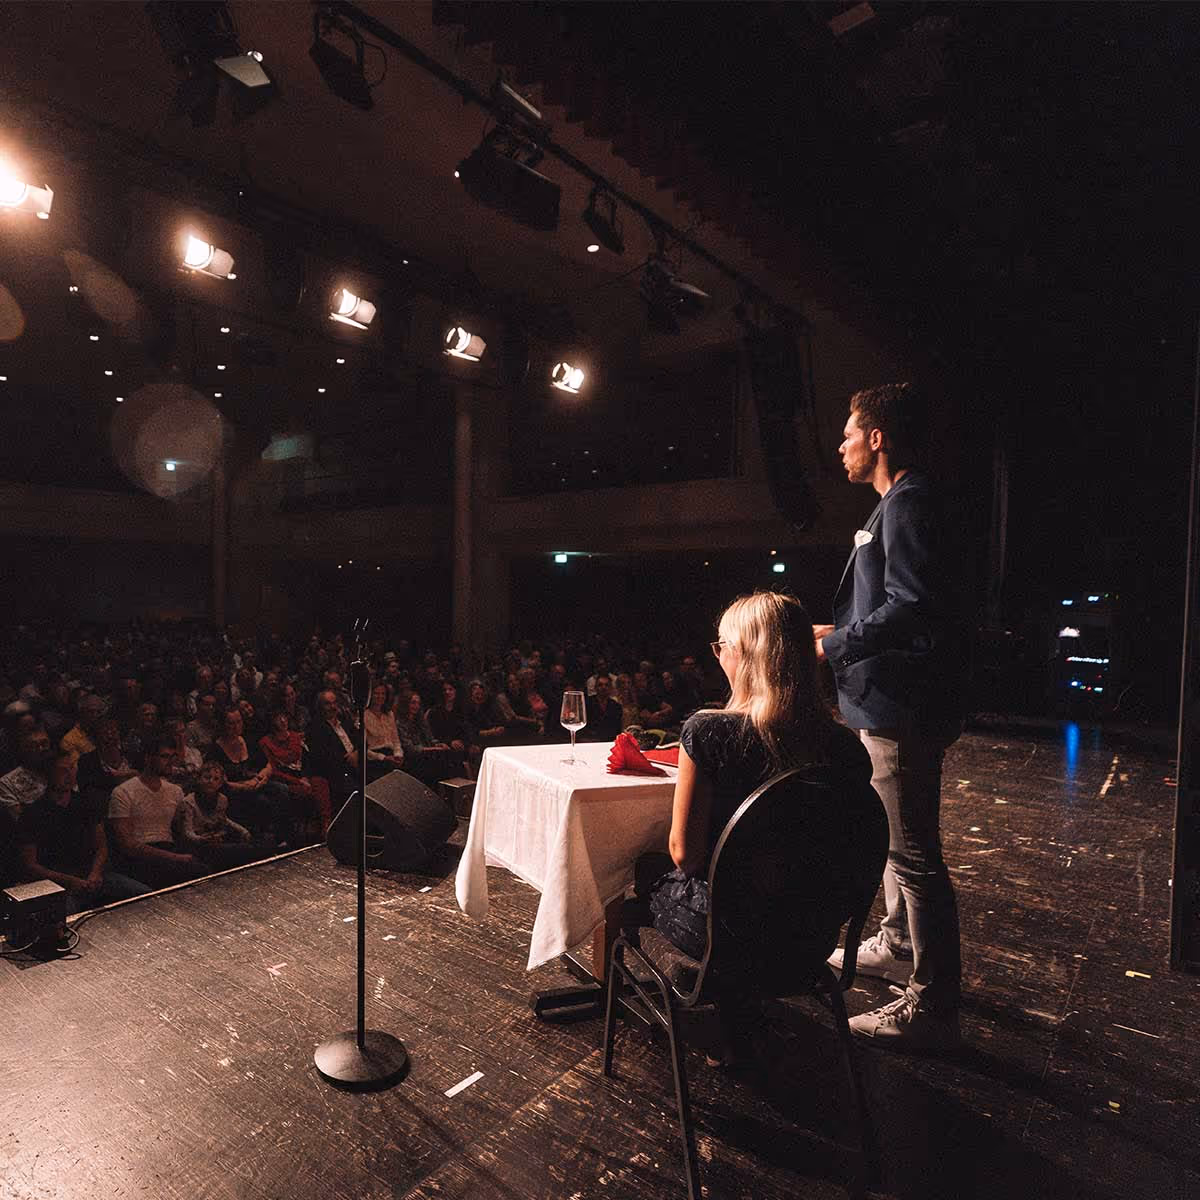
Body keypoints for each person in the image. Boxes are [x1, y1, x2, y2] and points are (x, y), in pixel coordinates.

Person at [815, 382, 966, 1050]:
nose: (842, 444)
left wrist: (838, 643)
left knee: (914, 857)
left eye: (849, 432)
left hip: (901, 705)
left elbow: (911, 606)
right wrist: (837, 627)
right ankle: (899, 942)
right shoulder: (893, 507)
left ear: (876, 437)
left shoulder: (907, 503)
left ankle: (931, 1007)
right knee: (895, 843)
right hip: (887, 700)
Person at [635, 592, 872, 962]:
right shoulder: (848, 747)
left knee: (643, 868)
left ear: (746, 654)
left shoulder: (707, 732)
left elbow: (686, 856)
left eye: (722, 645)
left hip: (728, 930)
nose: (718, 655)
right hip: (811, 933)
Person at [18, 752, 149, 911]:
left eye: (72, 768)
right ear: (49, 773)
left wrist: (95, 872)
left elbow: (102, 846)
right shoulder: (33, 813)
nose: (69, 774)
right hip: (59, 884)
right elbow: (31, 864)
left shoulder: (85, 802)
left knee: (147, 896)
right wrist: (69, 880)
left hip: (94, 876)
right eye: (63, 770)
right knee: (67, 916)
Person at [108, 737, 205, 889]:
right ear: (148, 758)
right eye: (164, 756)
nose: (170, 762)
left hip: (169, 848)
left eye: (173, 757)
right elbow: (127, 844)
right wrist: (175, 857)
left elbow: (182, 831)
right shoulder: (123, 792)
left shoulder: (175, 791)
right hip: (139, 857)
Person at [207, 708, 290, 845]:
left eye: (238, 722)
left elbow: (267, 765)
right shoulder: (215, 750)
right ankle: (264, 840)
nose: (236, 727)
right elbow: (222, 782)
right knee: (262, 801)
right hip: (234, 790)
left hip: (256, 782)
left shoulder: (249, 741)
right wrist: (247, 786)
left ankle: (284, 837)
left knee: (282, 789)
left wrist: (258, 779)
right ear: (223, 725)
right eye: (231, 723)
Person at [172, 761, 260, 870]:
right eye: (207, 777)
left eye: (216, 779)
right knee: (238, 850)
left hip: (217, 837)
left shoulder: (222, 799)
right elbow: (187, 832)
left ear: (220, 783)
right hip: (199, 843)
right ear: (199, 779)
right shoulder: (188, 802)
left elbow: (223, 820)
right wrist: (202, 839)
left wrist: (243, 831)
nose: (211, 781)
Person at [258, 710, 331, 837]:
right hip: (285, 780)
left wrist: (305, 776)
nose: (282, 721)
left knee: (321, 783)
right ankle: (307, 830)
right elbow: (274, 770)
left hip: (302, 776)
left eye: (283, 717)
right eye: (278, 718)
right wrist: (297, 781)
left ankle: (326, 824)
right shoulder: (266, 742)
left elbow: (306, 760)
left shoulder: (295, 736)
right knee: (307, 792)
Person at [306, 689, 361, 804]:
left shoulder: (345, 720)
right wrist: (349, 759)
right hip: (338, 772)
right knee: (357, 791)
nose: (332, 707)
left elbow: (361, 740)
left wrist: (356, 753)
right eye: (328, 704)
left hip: (358, 762)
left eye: (334, 703)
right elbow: (323, 757)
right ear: (320, 707)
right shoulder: (316, 727)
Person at [362, 684, 407, 777]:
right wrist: (383, 758)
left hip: (391, 754)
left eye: (383, 694)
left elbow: (396, 740)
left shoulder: (389, 714)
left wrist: (398, 754)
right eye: (376, 693)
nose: (380, 696)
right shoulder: (363, 715)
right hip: (375, 758)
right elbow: (362, 748)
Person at [582, 673, 624, 742]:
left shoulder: (616, 706)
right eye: (600, 685)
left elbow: (617, 730)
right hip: (589, 741)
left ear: (611, 688)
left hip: (609, 742)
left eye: (606, 685)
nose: (603, 687)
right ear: (595, 687)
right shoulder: (586, 703)